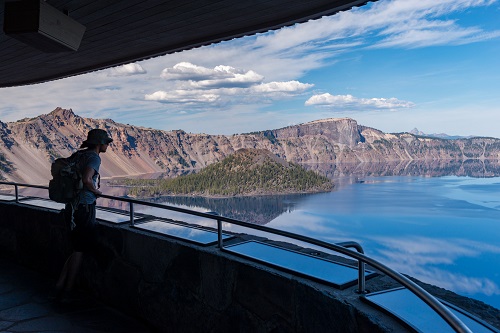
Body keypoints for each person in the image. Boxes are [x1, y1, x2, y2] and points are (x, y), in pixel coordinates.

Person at [54, 128, 113, 300]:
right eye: (106, 143)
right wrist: (96, 191)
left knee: (75, 248)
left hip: (71, 207)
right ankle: (68, 291)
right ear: (99, 144)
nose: (107, 146)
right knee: (80, 250)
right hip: (84, 208)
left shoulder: (79, 155)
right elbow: (87, 179)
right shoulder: (94, 157)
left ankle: (59, 285)